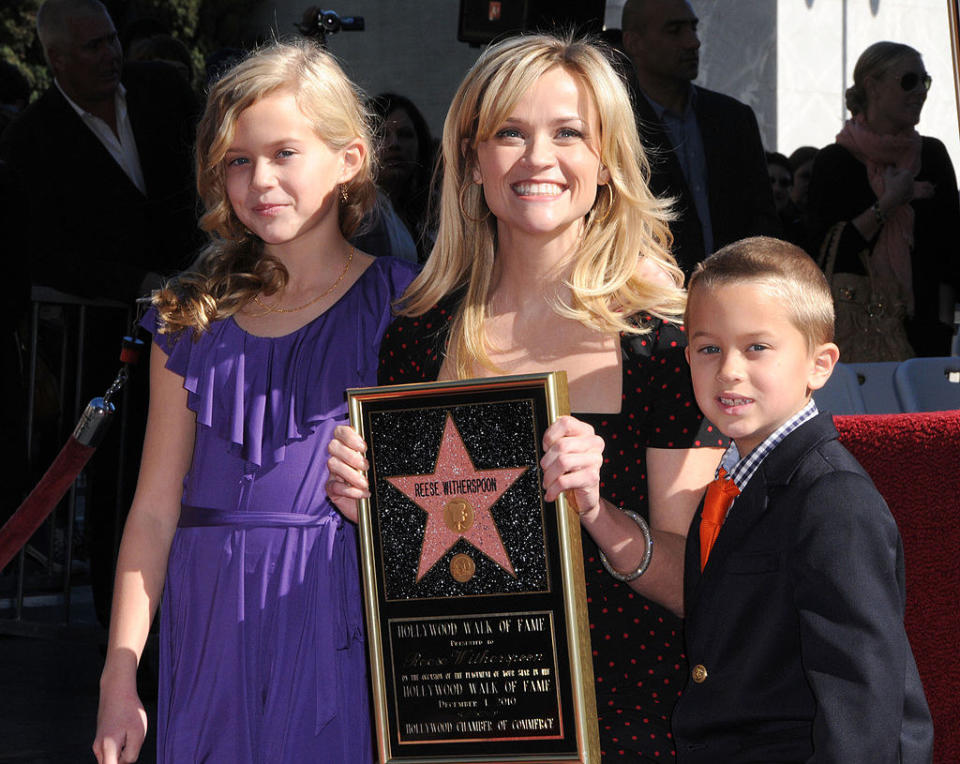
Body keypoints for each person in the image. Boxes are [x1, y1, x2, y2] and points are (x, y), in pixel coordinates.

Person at [327, 33, 725, 761]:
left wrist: (601, 515)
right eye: (510, 132)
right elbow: (420, 581)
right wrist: (370, 512)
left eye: (568, 133)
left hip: (634, 727)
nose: (538, 158)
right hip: (462, 730)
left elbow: (700, 594)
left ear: (606, 161)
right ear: (473, 160)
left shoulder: (667, 344)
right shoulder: (418, 336)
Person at [92, 41, 417, 763]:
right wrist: (120, 674)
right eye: (237, 160)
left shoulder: (406, 306)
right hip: (207, 621)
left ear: (350, 160)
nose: (259, 179)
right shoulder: (189, 316)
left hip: (334, 613)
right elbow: (151, 510)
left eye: (284, 153)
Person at [673, 236, 933, 762]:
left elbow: (861, 696)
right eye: (708, 348)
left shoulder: (833, 498)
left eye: (757, 347)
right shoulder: (734, 478)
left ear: (820, 364)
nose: (729, 370)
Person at [808, 41, 960, 357]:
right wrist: (890, 202)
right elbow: (829, 251)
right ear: (873, 86)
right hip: (858, 331)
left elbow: (950, 249)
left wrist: (944, 326)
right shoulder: (834, 161)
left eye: (925, 81)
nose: (921, 91)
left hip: (927, 330)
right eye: (909, 81)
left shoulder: (931, 155)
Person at [620, 0, 780, 276]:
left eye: (693, 29)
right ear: (634, 42)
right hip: (648, 298)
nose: (693, 42)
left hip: (732, 292)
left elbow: (761, 218)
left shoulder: (733, 118)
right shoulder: (615, 122)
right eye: (674, 30)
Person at [371, 92, 437, 261]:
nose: (394, 144)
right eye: (380, 134)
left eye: (404, 134)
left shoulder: (431, 215)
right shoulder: (356, 217)